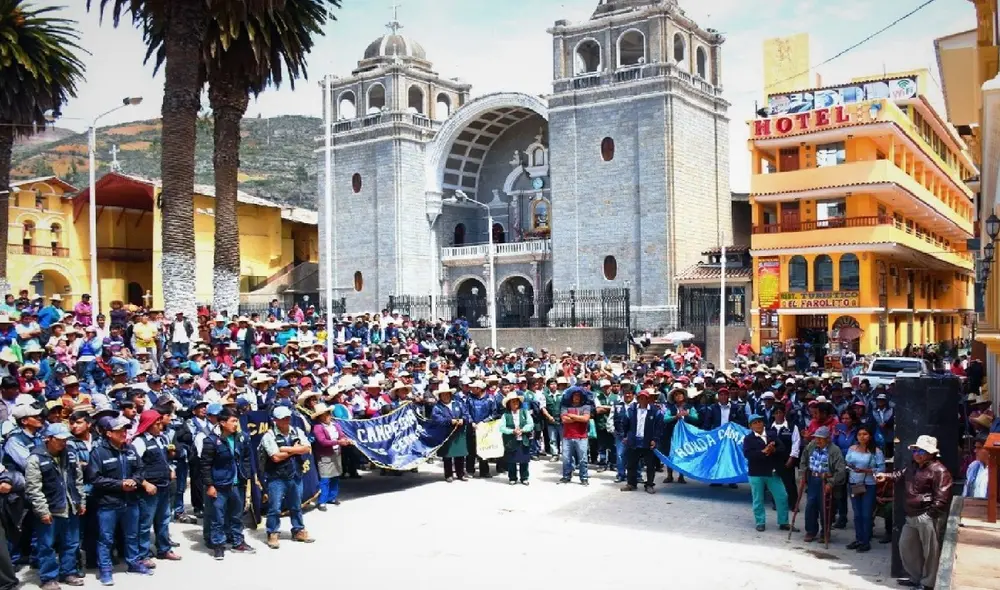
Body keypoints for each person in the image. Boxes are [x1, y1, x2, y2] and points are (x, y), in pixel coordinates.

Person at [876, 435, 953, 589]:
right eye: (916, 450)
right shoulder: (913, 467)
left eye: (921, 451)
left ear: (931, 453)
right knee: (906, 546)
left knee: (930, 552)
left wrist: (929, 514)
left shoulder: (939, 471)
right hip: (911, 515)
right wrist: (886, 476)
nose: (917, 454)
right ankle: (915, 577)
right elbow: (899, 475)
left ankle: (927, 583)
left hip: (927, 516)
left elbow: (942, 498)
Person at [85, 415, 149, 585]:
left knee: (132, 535)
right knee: (106, 538)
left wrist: (134, 481)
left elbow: (140, 470)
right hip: (108, 503)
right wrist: (120, 485)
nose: (123, 433)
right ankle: (105, 570)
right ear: (108, 433)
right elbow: (95, 479)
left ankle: (133, 563)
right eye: (119, 430)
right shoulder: (98, 452)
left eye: (125, 430)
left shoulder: (130, 449)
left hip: (131, 501)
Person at [24, 422, 86, 590]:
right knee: (47, 546)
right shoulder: (36, 458)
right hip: (51, 509)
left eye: (65, 440)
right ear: (48, 439)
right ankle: (48, 578)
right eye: (59, 440)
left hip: (71, 506)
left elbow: (78, 479)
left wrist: (81, 501)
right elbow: (33, 488)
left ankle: (69, 572)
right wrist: (42, 511)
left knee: (71, 543)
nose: (63, 443)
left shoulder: (71, 454)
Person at [200, 409, 255, 560]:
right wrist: (210, 485)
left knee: (237, 516)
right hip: (219, 485)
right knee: (217, 517)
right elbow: (205, 466)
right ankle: (218, 545)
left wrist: (246, 474)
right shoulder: (211, 441)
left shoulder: (241, 438)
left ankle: (238, 542)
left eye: (237, 421)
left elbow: (246, 458)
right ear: (223, 423)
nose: (236, 424)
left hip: (237, 484)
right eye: (233, 421)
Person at [259, 405, 314, 549]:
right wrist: (296, 449)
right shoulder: (269, 436)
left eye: (288, 417)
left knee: (296, 506)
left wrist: (287, 449)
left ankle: (298, 530)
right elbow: (275, 457)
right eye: (283, 418)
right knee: (275, 508)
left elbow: (307, 448)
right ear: (275, 420)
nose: (287, 420)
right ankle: (272, 533)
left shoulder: (297, 431)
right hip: (276, 477)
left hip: (295, 474)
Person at [131, 409, 181, 566]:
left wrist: (170, 468)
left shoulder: (161, 439)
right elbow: (134, 466)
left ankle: (164, 549)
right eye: (157, 423)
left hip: (164, 486)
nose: (161, 426)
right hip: (149, 489)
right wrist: (145, 483)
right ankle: (143, 554)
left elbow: (164, 459)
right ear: (149, 424)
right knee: (145, 523)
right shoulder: (139, 442)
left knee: (164, 519)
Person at [742, 414, 792, 532]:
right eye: (755, 423)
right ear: (750, 426)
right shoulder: (748, 439)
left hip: (772, 472)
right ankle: (760, 522)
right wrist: (763, 451)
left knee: (782, 496)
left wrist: (773, 450)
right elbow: (748, 455)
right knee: (758, 499)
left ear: (763, 423)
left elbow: (782, 449)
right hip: (756, 473)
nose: (758, 424)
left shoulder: (772, 435)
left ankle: (784, 522)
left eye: (759, 421)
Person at [798, 426, 846, 543]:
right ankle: (811, 531)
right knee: (810, 506)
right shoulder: (811, 445)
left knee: (825, 508)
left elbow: (841, 471)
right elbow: (803, 460)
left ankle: (825, 532)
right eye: (816, 438)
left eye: (821, 438)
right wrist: (802, 475)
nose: (818, 440)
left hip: (825, 480)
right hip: (813, 479)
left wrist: (831, 483)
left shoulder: (835, 450)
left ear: (828, 439)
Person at [844, 425, 884, 553]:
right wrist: (850, 467)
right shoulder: (852, 448)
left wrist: (866, 470)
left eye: (865, 434)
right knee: (857, 514)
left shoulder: (876, 451)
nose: (862, 436)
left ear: (870, 436)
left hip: (868, 484)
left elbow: (881, 469)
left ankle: (866, 541)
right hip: (854, 483)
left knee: (866, 514)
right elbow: (846, 463)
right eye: (860, 434)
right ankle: (859, 539)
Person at [620, 388, 662, 493]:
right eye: (640, 398)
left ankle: (649, 485)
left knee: (650, 465)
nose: (643, 400)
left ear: (648, 399)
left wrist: (655, 439)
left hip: (648, 441)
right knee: (631, 464)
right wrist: (625, 436)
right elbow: (625, 424)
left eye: (645, 398)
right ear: (638, 399)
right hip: (634, 441)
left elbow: (659, 427)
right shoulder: (631, 410)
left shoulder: (655, 411)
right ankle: (631, 484)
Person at [311, 402, 348, 508]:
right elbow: (323, 441)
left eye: (328, 413)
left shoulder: (335, 425)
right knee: (325, 478)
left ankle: (332, 497)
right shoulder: (318, 427)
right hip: (325, 455)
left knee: (335, 476)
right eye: (325, 414)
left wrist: (344, 439)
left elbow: (341, 435)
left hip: (336, 453)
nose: (328, 416)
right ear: (320, 417)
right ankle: (322, 501)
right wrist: (338, 442)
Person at [429, 383, 468, 482]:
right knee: (447, 456)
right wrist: (450, 421)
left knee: (460, 454)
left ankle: (460, 474)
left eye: (447, 394)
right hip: (445, 433)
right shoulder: (437, 407)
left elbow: (466, 414)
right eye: (443, 394)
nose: (445, 396)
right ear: (440, 396)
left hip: (458, 433)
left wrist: (463, 420)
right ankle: (448, 474)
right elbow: (437, 419)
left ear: (450, 394)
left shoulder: (458, 404)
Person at [498, 392, 533, 485]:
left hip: (523, 439)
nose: (515, 403)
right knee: (511, 461)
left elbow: (530, 424)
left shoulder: (524, 412)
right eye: (512, 402)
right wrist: (512, 431)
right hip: (510, 440)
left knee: (524, 460)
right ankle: (512, 478)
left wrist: (523, 430)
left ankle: (524, 478)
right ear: (509, 403)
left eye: (516, 401)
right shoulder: (505, 415)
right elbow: (502, 428)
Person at [559, 386, 590, 486]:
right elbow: (564, 420)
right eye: (575, 395)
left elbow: (585, 419)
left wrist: (571, 416)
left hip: (581, 437)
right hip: (567, 436)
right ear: (571, 396)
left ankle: (584, 477)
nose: (576, 397)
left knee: (583, 459)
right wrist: (579, 418)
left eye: (578, 395)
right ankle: (566, 476)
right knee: (566, 458)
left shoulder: (586, 406)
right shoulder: (565, 407)